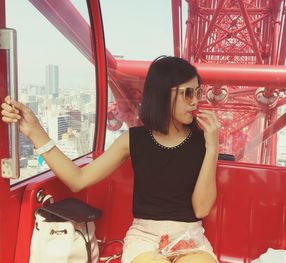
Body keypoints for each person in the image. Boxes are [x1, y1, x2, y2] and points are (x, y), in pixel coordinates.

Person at [1, 56, 220, 263]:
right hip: (146, 237)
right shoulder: (133, 140)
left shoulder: (202, 142)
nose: (195, 101)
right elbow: (78, 179)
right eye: (188, 93)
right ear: (163, 94)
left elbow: (201, 210)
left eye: (198, 93)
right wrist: (35, 131)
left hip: (190, 236)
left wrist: (212, 148)